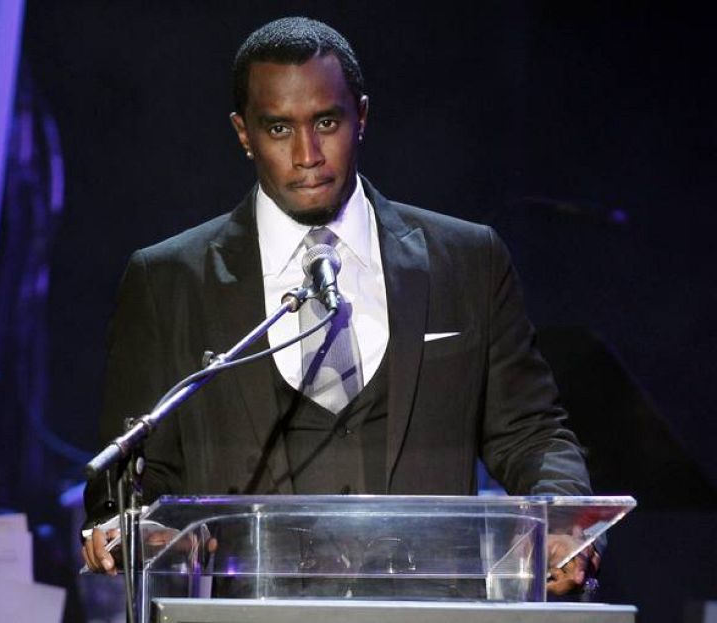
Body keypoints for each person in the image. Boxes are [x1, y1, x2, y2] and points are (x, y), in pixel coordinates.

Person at [82, 16, 597, 595]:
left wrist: (564, 521)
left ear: (362, 117)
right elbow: (135, 474)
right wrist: (134, 530)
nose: (307, 154)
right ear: (243, 132)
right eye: (278, 128)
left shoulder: (466, 260)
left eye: (326, 122)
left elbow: (530, 434)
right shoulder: (169, 280)